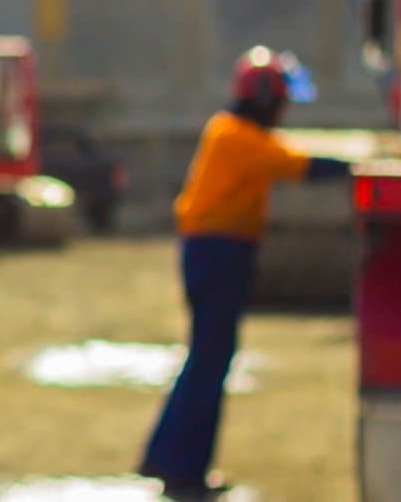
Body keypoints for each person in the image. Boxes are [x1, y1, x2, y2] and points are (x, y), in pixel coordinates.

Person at [139, 46, 352, 497]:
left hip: (210, 252)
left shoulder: (229, 131)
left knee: (203, 359)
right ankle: (184, 470)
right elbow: (303, 167)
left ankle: (166, 457)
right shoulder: (240, 139)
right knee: (210, 361)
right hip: (219, 253)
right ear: (264, 97)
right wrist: (363, 168)